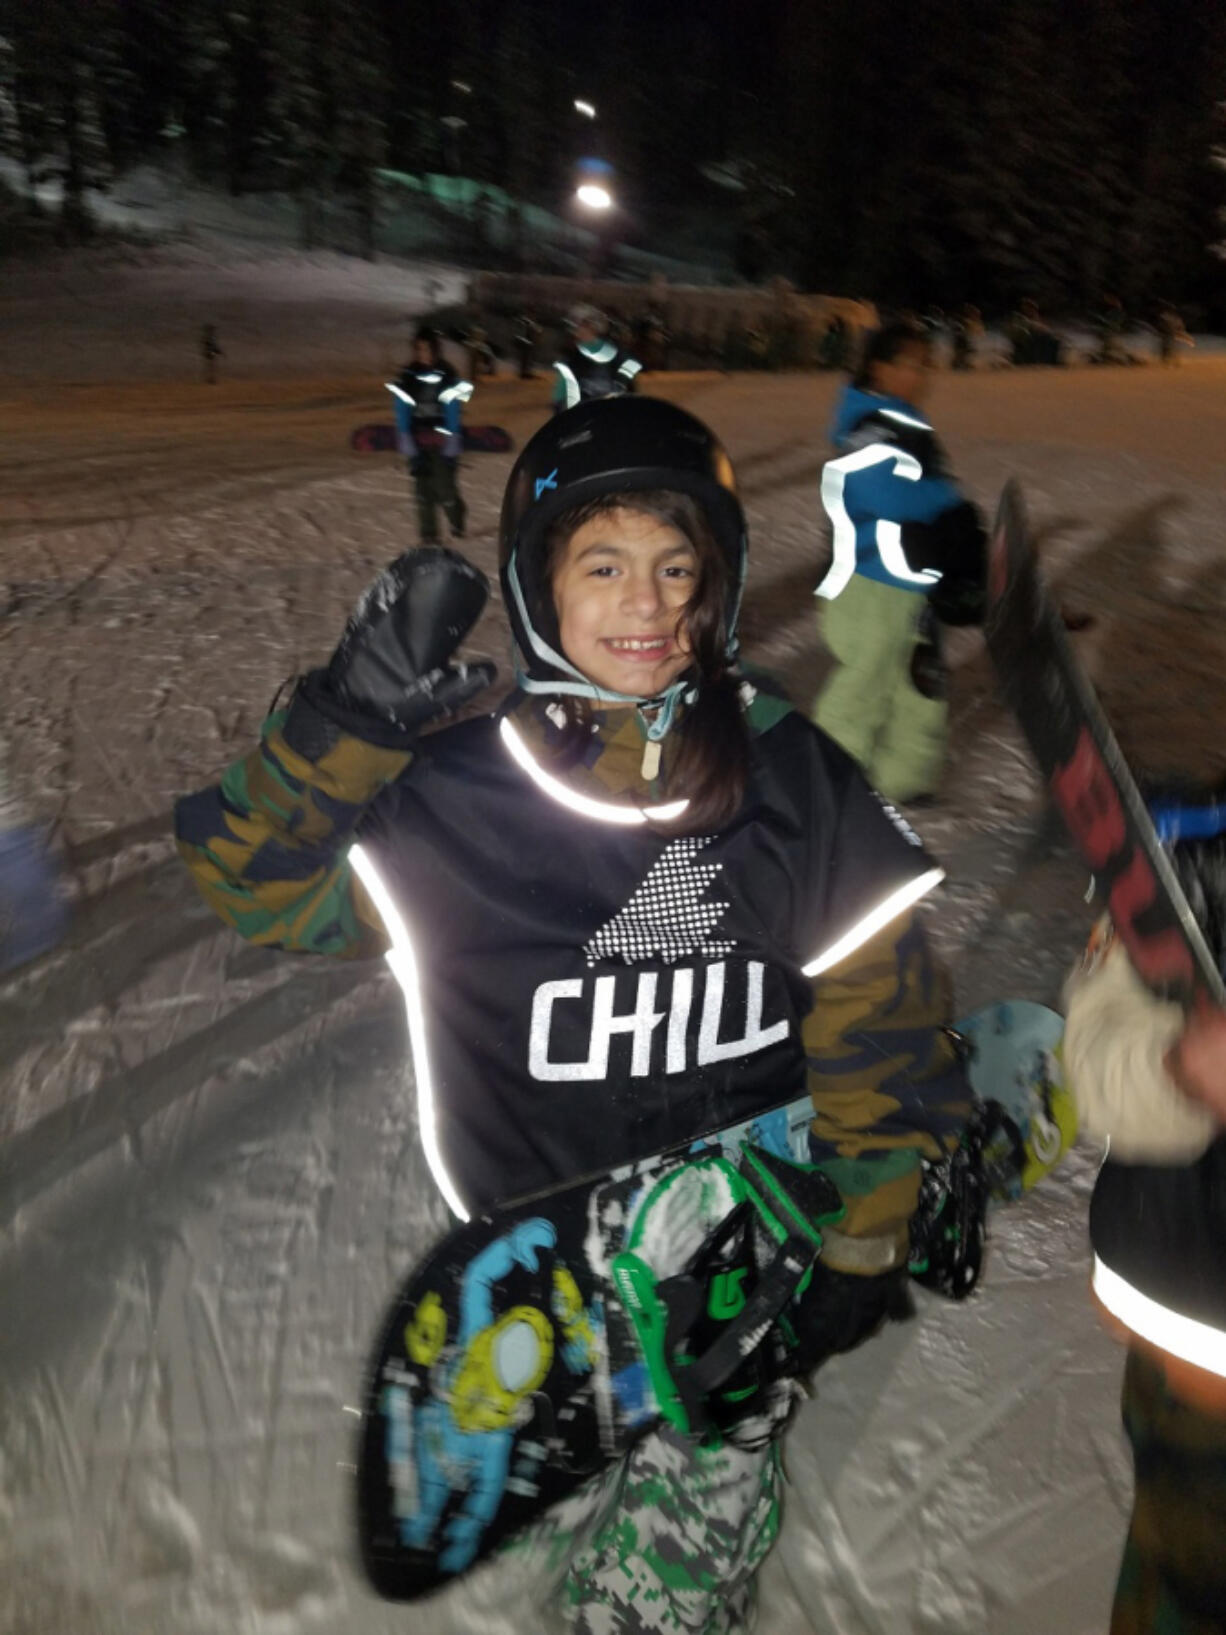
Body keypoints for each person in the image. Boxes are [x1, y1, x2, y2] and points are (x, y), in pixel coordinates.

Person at [174, 395, 973, 1632]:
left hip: (745, 1235)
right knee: (571, 1428)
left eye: (676, 569)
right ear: (539, 587)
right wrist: (344, 721)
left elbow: (876, 1009)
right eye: (602, 567)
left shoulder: (791, 781)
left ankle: (703, 1504)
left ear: (717, 586)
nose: (647, 607)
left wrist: (865, 1230)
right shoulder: (457, 803)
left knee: (701, 1450)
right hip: (547, 1251)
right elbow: (255, 885)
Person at [1063, 802, 1226, 1635]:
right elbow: (1094, 1060)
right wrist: (1182, 1070)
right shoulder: (1191, 871)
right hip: (1206, 1370)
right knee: (1191, 1581)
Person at [812, 320, 986, 805]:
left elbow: (931, 489)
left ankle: (904, 779)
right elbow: (881, 491)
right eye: (910, 364)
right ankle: (832, 784)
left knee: (920, 682)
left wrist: (954, 524)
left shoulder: (907, 422)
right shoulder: (869, 424)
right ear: (878, 366)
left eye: (926, 364)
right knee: (865, 684)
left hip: (912, 578)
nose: (921, 374)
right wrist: (949, 509)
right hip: (869, 582)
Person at [388, 326, 472, 545]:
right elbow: (402, 406)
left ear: (435, 349)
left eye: (428, 349)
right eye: (420, 349)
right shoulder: (408, 375)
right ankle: (428, 534)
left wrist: (453, 435)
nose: (424, 354)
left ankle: (457, 519)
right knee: (422, 488)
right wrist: (404, 434)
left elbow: (453, 405)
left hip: (442, 437)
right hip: (418, 438)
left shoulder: (446, 373)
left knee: (445, 487)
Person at [550, 304, 642, 413]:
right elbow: (559, 399)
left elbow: (559, 401)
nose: (578, 331)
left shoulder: (618, 356)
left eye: (581, 326)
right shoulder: (571, 359)